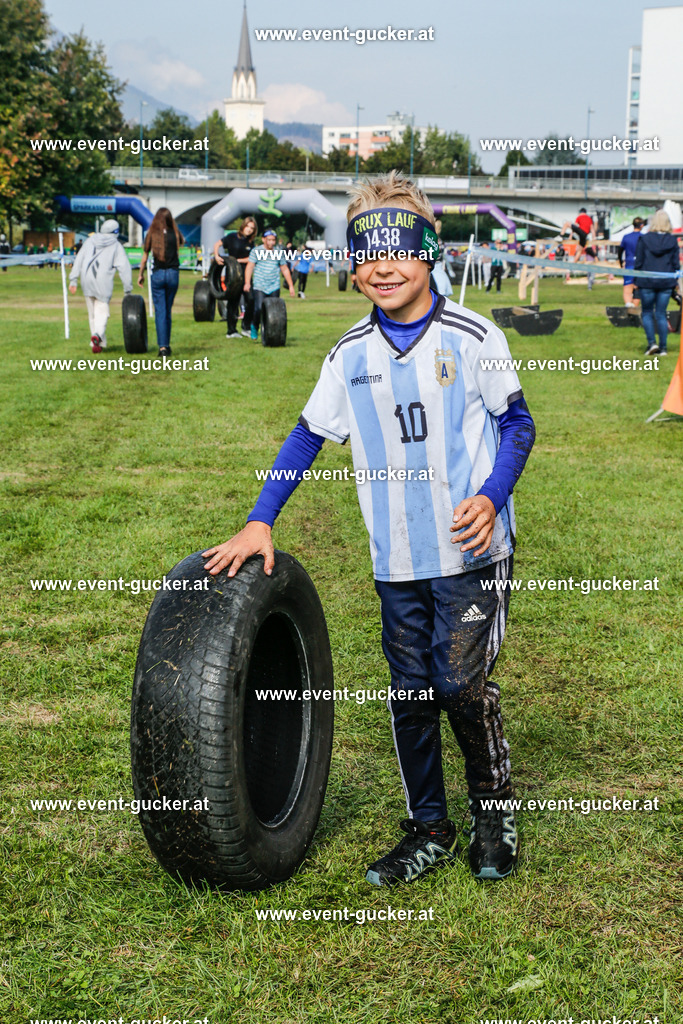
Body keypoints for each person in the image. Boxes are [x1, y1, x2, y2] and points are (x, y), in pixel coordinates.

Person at [203, 171, 536, 885]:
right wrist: (260, 519)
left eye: (398, 250)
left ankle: (493, 811)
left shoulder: (474, 336)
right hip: (397, 559)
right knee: (411, 692)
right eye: (367, 254)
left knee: (459, 684)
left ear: (429, 252)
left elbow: (517, 424)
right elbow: (307, 435)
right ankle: (429, 828)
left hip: (471, 553)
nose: (383, 267)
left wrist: (490, 495)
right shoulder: (348, 353)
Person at [69, 219, 132, 353]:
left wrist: (73, 279)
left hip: (86, 279)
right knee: (102, 312)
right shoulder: (116, 245)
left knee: (92, 314)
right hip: (103, 281)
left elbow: (79, 259)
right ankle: (97, 335)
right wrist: (127, 289)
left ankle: (97, 344)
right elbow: (124, 267)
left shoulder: (89, 241)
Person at [138, 207, 184, 357]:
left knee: (160, 312)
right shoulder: (175, 233)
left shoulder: (152, 233)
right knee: (167, 311)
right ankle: (167, 345)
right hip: (173, 274)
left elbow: (144, 257)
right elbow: (182, 243)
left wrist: (141, 274)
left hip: (158, 274)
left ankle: (163, 347)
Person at [634, 210, 680, 356]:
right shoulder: (672, 241)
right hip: (666, 282)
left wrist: (635, 279)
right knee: (661, 314)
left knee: (647, 313)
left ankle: (652, 344)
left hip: (646, 281)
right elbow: (676, 263)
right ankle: (664, 348)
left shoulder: (644, 239)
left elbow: (639, 261)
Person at [243, 229, 295, 340]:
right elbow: (250, 267)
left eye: (273, 240)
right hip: (259, 285)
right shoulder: (256, 251)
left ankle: (270, 332)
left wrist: (290, 286)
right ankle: (254, 326)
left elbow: (284, 269)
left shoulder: (278, 252)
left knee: (274, 311)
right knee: (258, 309)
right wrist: (247, 282)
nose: (271, 242)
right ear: (263, 240)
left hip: (274, 285)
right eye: (269, 240)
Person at [212, 216, 257, 338]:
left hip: (246, 274)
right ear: (243, 226)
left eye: (252, 228)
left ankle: (246, 327)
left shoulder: (250, 243)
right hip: (232, 275)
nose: (249, 229)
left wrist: (239, 260)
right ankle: (231, 331)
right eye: (248, 226)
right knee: (233, 302)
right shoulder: (232, 237)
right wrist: (216, 256)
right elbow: (217, 244)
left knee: (251, 299)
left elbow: (252, 258)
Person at [618, 217, 644, 307]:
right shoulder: (644, 237)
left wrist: (621, 263)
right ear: (642, 225)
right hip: (640, 266)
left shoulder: (626, 237)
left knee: (627, 289)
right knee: (637, 290)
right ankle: (635, 308)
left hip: (629, 265)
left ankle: (629, 306)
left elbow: (620, 251)